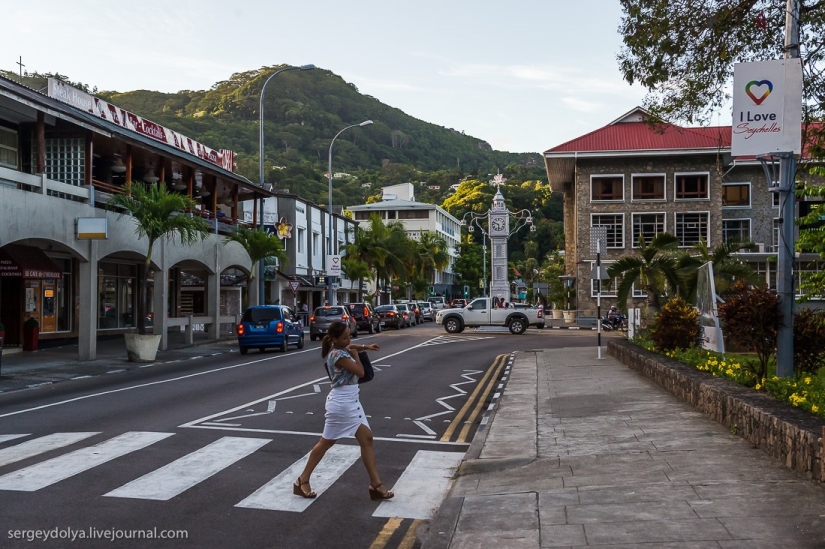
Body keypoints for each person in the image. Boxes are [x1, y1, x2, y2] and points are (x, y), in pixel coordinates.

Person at [294, 321, 393, 501]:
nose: (349, 340)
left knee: (361, 439)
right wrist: (356, 353)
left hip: (350, 401)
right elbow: (361, 372)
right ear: (334, 339)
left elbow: (350, 346)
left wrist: (365, 346)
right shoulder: (338, 355)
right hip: (343, 405)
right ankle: (302, 480)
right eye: (345, 337)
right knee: (331, 442)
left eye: (350, 336)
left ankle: (375, 485)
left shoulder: (341, 348)